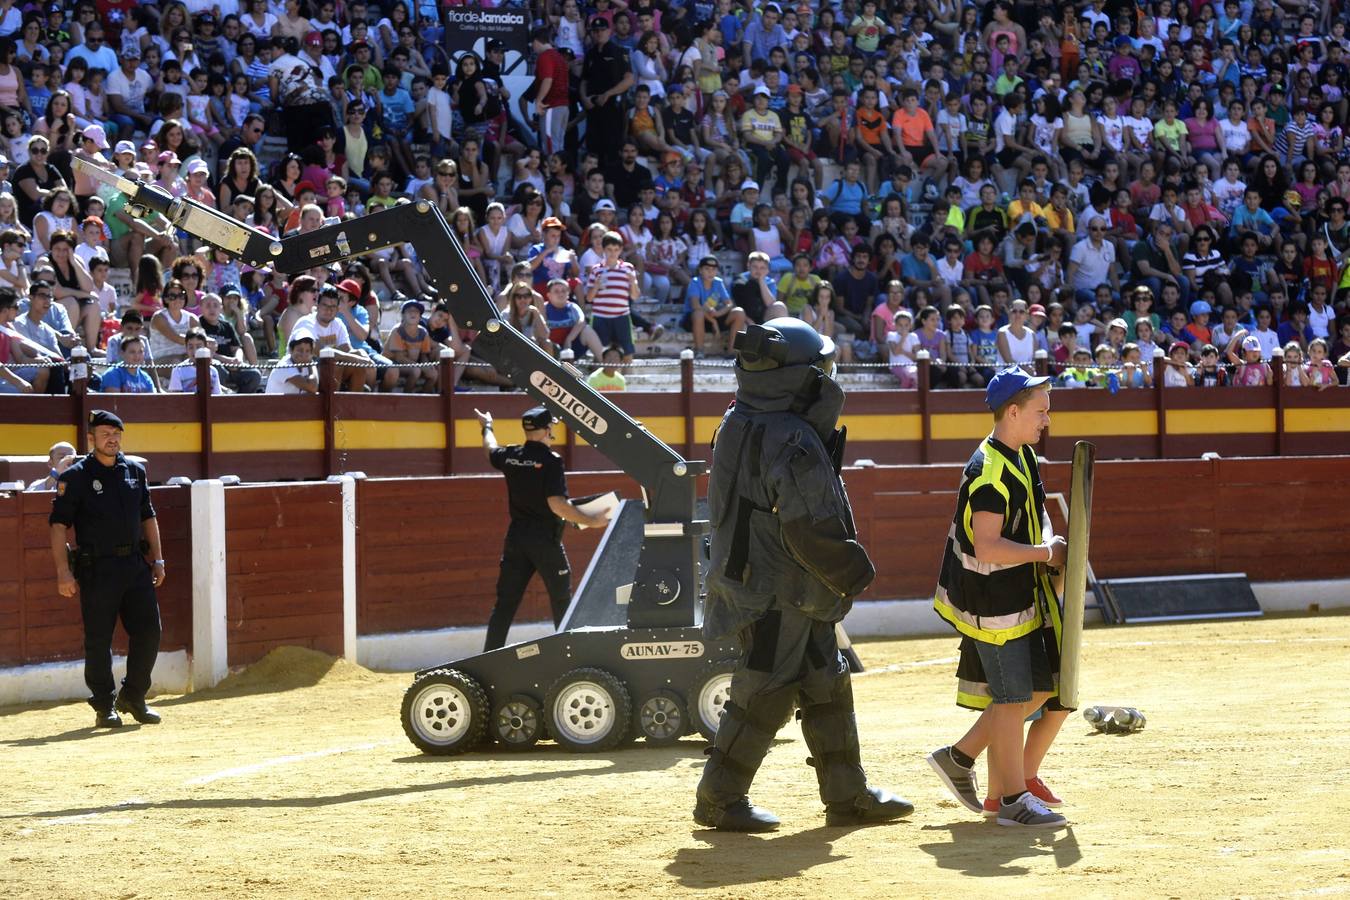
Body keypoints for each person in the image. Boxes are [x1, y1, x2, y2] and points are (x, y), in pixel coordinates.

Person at [695, 318, 912, 832]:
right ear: (800, 377)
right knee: (764, 691)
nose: (829, 376)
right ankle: (717, 799)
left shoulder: (738, 418)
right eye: (823, 367)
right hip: (780, 588)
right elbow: (810, 529)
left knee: (825, 680)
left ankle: (847, 794)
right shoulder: (790, 437)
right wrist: (853, 573)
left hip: (773, 584)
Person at [926, 368, 1070, 829]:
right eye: (1040, 411)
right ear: (1013, 412)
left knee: (1038, 689)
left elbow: (1040, 514)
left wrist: (1049, 546)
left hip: (1015, 593)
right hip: (992, 602)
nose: (1047, 420)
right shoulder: (988, 471)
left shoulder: (1021, 455)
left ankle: (960, 757)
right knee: (1012, 700)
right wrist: (1046, 553)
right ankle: (1011, 798)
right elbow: (987, 546)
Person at [48, 410, 167, 729]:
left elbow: (148, 516)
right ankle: (104, 705)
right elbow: (58, 526)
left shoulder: (134, 471)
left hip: (134, 565)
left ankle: (134, 695)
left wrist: (158, 559)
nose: (112, 439)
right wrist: (63, 571)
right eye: (104, 434)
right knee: (99, 638)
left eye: (116, 434)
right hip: (97, 567)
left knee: (150, 631)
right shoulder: (75, 477)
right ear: (91, 438)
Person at [473, 405, 610, 652]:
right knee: (561, 602)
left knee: (505, 605)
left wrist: (487, 426)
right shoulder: (551, 461)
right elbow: (556, 504)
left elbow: (490, 449)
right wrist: (592, 521)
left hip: (516, 538)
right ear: (547, 430)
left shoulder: (511, 455)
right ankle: (571, 657)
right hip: (545, 541)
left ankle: (487, 659)